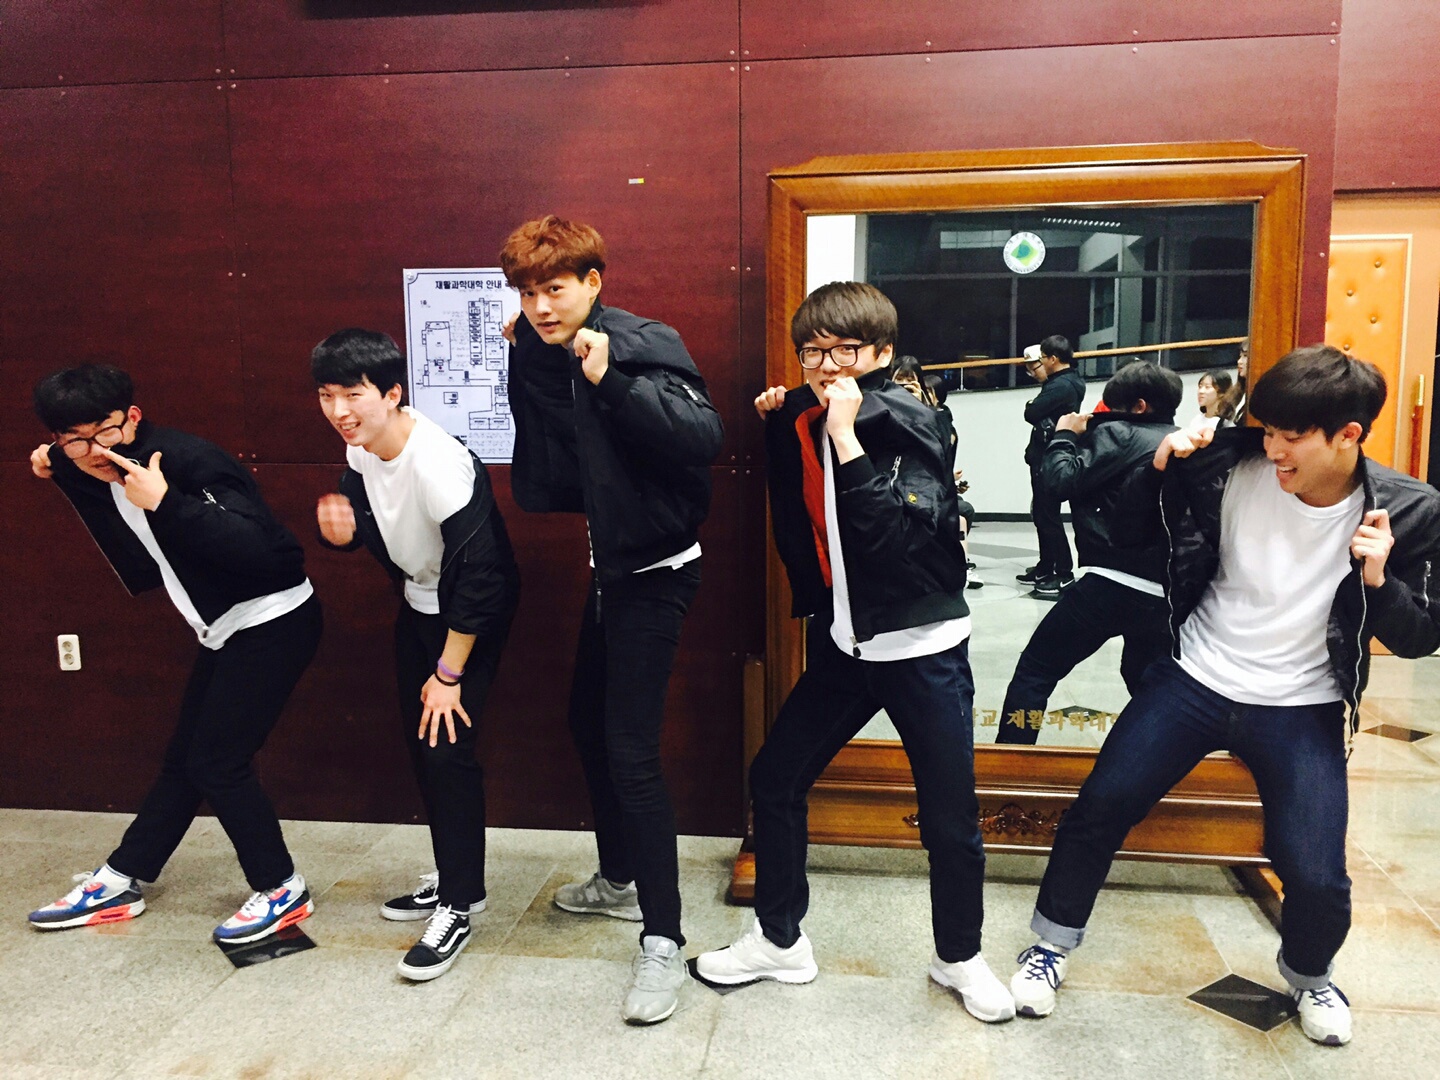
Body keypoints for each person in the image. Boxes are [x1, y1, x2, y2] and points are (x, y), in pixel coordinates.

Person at [1008, 345, 1440, 1047]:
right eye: (1266, 430)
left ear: (1348, 435)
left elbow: (1420, 638)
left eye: (1291, 436)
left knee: (1316, 873)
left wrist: (1378, 581)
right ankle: (1050, 944)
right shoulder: (1220, 463)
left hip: (1302, 704)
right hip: (1195, 678)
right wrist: (1157, 468)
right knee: (1101, 806)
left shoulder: (1411, 510)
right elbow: (1129, 532)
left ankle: (1309, 975)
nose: (1273, 449)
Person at [696, 282, 1014, 1023]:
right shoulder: (806, 411)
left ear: (882, 353)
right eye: (813, 352)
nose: (828, 366)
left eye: (845, 351)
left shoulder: (908, 420)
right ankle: (780, 942)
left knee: (948, 817)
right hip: (848, 643)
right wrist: (786, 414)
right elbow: (796, 497)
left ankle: (960, 959)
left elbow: (894, 539)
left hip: (922, 648)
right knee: (775, 777)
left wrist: (847, 440)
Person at [498, 215, 724, 1024]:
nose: (540, 306)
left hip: (656, 575)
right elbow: (557, 450)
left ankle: (663, 939)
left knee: (632, 753)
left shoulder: (641, 341)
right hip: (613, 571)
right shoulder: (545, 345)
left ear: (593, 282)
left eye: (555, 289)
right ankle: (620, 878)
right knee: (585, 723)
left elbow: (703, 435)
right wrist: (531, 355)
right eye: (528, 293)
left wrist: (611, 379)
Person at [27, 365, 322, 944]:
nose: (94, 451)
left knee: (218, 762)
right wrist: (56, 464)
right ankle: (122, 878)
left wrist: (167, 502)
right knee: (185, 759)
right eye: (74, 440)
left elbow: (269, 553)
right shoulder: (85, 458)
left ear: (132, 417)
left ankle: (282, 889)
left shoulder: (191, 462)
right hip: (223, 630)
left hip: (275, 620)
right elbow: (69, 461)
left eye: (104, 432)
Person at [312, 329, 520, 982]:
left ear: (392, 394)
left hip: (469, 618)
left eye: (354, 395)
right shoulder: (361, 450)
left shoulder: (437, 464)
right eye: (327, 395)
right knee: (421, 744)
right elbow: (370, 515)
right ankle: (459, 879)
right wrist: (346, 533)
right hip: (420, 604)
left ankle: (458, 906)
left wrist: (449, 674)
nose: (340, 411)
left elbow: (483, 578)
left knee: (446, 752)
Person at [994, 361, 1182, 744]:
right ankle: (1147, 760)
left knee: (1035, 671)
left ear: (1139, 406)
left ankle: (1013, 756)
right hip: (1163, 593)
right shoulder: (1180, 440)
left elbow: (1058, 481)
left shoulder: (1120, 433)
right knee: (1143, 681)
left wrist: (1064, 435)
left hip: (1109, 583)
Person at [892, 356, 983, 590]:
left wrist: (921, 409)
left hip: (929, 492)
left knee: (959, 514)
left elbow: (943, 450)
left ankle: (961, 567)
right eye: (898, 382)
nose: (903, 388)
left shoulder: (936, 416)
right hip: (896, 490)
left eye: (910, 382)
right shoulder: (881, 411)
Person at [1018, 336, 1086, 594]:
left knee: (1048, 516)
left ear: (1053, 359)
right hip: (1047, 453)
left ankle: (1063, 572)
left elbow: (1031, 412)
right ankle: (1046, 566)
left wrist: (1032, 405)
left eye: (1043, 358)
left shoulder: (1061, 385)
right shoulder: (1067, 381)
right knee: (1042, 513)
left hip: (1048, 455)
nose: (1042, 363)